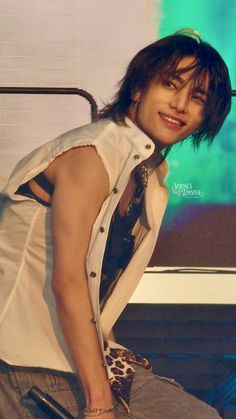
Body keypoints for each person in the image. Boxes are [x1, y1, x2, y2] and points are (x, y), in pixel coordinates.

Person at [0, 29, 231, 418]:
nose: (179, 104)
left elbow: (98, 283)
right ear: (139, 88)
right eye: (170, 85)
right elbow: (69, 281)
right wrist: (100, 405)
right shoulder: (92, 153)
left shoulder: (148, 174)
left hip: (77, 358)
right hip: (23, 362)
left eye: (197, 97)